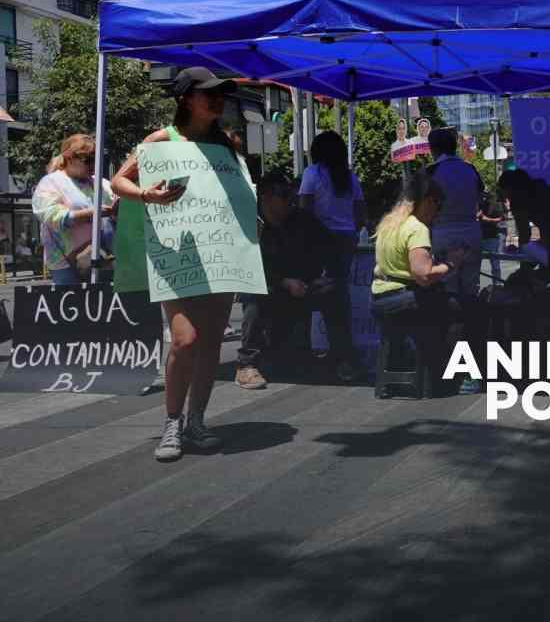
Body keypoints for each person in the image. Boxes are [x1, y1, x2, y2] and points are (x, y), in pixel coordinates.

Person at [110, 66, 243, 462]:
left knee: (212, 341)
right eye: (209, 93)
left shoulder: (227, 146)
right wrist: (146, 196)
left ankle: (197, 420)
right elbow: (119, 182)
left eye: (221, 93)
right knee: (185, 340)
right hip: (175, 255)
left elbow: (237, 194)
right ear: (187, 98)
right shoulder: (161, 140)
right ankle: (173, 421)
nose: (217, 99)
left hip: (219, 252)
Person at [234, 174, 355, 390]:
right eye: (283, 195)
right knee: (253, 296)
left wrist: (323, 276)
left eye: (291, 194)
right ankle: (247, 364)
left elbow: (331, 249)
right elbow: (247, 264)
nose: (290, 200)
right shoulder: (251, 223)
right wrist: (283, 282)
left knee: (334, 291)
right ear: (265, 197)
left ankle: (342, 359)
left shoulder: (303, 219)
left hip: (305, 285)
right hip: (271, 286)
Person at [370, 172, 469, 395]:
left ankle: (424, 367)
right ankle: (452, 376)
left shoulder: (389, 223)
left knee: (441, 305)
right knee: (460, 308)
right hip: (402, 298)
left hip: (379, 297)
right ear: (428, 201)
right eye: (438, 205)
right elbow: (423, 275)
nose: (438, 212)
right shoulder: (417, 228)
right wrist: (451, 263)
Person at [299, 131, 365, 382]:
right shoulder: (349, 177)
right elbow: (361, 211)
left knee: (315, 293)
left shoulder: (312, 174)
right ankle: (344, 356)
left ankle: (332, 355)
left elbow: (304, 207)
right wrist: (351, 229)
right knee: (339, 297)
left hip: (319, 239)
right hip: (346, 238)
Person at [32, 134, 114, 286]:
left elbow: (115, 201)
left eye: (96, 160)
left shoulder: (101, 183)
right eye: (88, 160)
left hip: (101, 257)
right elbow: (50, 215)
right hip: (66, 262)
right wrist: (91, 213)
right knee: (73, 306)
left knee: (101, 306)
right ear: (69, 158)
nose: (93, 165)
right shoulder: (51, 182)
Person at [426, 127, 484, 299]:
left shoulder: (431, 172)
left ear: (433, 149)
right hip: (471, 233)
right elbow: (480, 195)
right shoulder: (470, 169)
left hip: (443, 235)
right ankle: (472, 324)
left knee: (448, 292)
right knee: (471, 289)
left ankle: (453, 324)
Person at [497, 168, 550, 284]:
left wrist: (525, 265)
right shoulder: (539, 188)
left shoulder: (519, 202)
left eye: (502, 190)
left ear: (508, 188)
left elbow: (526, 234)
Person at [478, 191, 506, 286]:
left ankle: (497, 285)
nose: (488, 198)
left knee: (495, 264)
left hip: (493, 236)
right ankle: (475, 287)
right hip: (481, 236)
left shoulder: (498, 205)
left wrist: (488, 220)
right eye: (488, 197)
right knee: (476, 264)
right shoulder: (482, 204)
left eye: (490, 197)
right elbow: (479, 215)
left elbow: (502, 218)